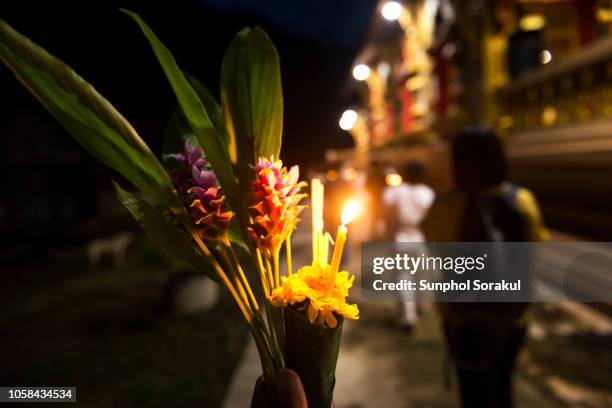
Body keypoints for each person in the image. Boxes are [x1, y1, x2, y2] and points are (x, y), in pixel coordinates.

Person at [422, 126, 549, 408]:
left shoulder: (445, 206)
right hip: (513, 318)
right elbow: (538, 252)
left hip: (462, 319)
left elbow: (434, 254)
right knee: (503, 384)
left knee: (473, 392)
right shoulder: (522, 201)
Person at [383, 162, 435, 329]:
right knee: (420, 276)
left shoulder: (395, 192)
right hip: (421, 237)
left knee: (404, 278)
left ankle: (408, 316)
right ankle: (420, 306)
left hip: (400, 239)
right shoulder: (428, 193)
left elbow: (386, 213)